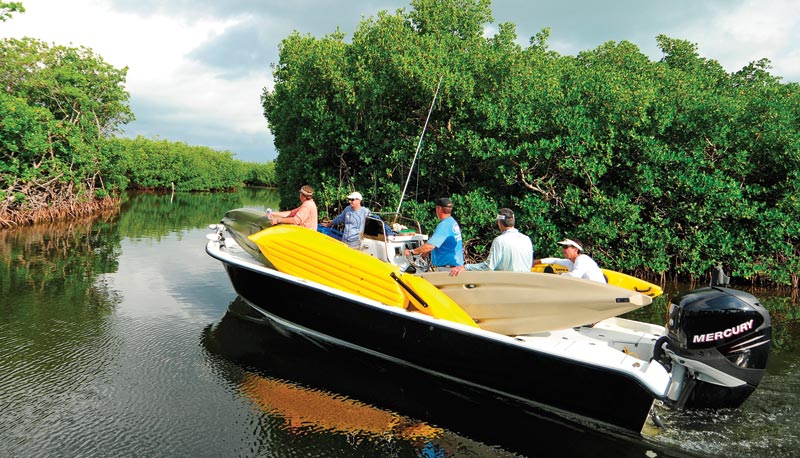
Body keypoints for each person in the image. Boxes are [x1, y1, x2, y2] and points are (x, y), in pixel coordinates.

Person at [449, 208, 534, 276]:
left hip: (506, 286)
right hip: (525, 284)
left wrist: (466, 267)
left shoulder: (500, 240)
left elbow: (488, 267)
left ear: (499, 222)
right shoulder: (527, 239)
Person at [403, 197, 463, 271]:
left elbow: (430, 246)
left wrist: (411, 252)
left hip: (446, 269)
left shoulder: (444, 225)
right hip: (455, 267)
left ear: (439, 209)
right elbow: (439, 244)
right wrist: (424, 254)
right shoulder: (452, 222)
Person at [533, 238, 606, 283]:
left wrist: (557, 276)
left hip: (598, 293)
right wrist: (536, 262)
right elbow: (555, 260)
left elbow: (575, 276)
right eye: (563, 247)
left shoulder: (582, 259)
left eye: (565, 247)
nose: (563, 249)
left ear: (575, 249)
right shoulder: (571, 262)